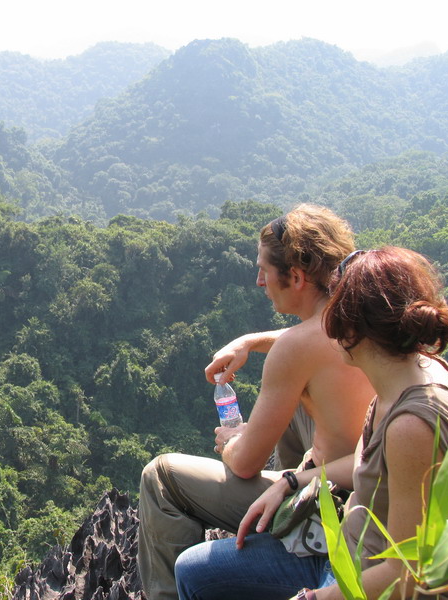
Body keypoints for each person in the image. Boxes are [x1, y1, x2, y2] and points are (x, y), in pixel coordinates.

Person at [174, 246, 448, 600]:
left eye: (330, 314)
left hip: (360, 580)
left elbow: (407, 575)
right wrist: (292, 481)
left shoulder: (411, 426)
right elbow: (368, 465)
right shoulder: (411, 374)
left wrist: (313, 597)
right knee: (193, 570)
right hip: (347, 549)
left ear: (349, 330)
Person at [138, 204, 375, 600]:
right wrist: (250, 341)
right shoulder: (365, 318)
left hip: (326, 505)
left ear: (295, 277)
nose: (259, 280)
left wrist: (234, 441)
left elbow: (246, 463)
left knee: (160, 476)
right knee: (297, 403)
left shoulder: (295, 351)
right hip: (359, 490)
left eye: (265, 270)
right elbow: (309, 340)